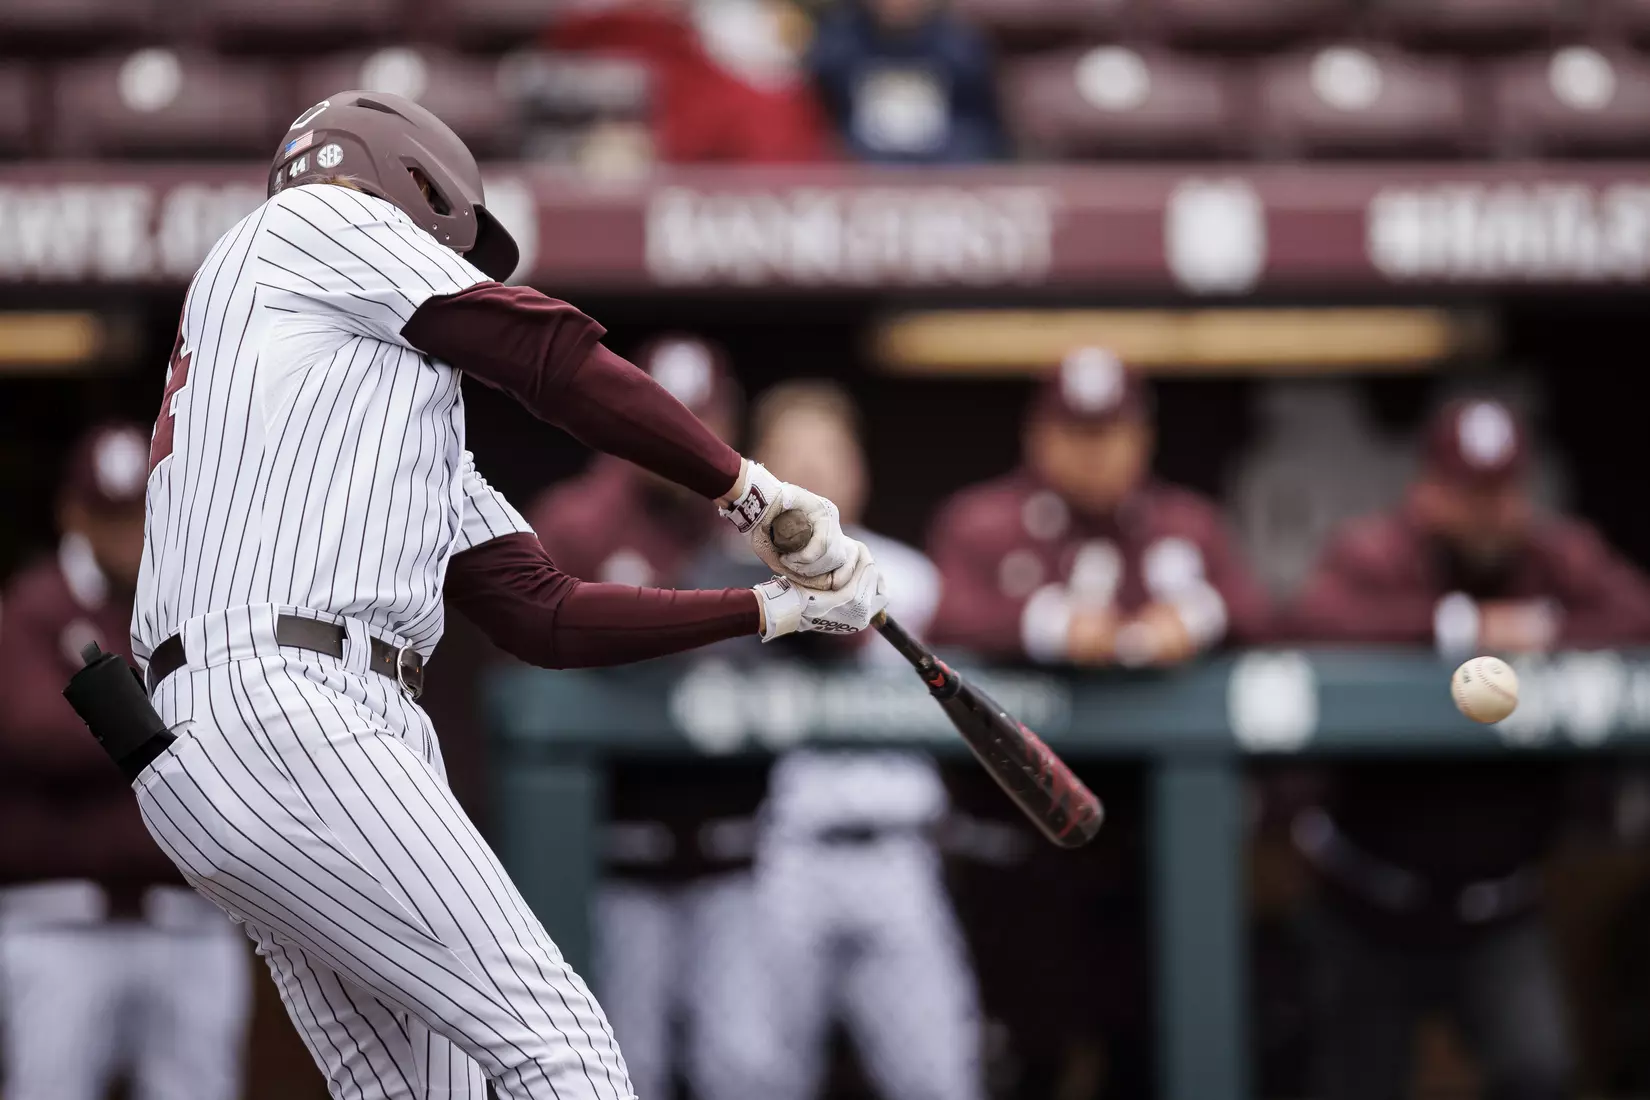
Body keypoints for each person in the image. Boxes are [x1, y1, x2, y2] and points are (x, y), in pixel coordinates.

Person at [127, 91, 884, 1100]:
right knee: (563, 1046)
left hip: (235, 729)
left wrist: (767, 609)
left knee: (428, 1087)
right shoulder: (314, 217)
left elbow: (543, 610)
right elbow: (547, 354)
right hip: (290, 702)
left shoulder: (365, 407)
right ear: (416, 184)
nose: (460, 265)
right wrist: (748, 489)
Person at [1291, 397, 1650, 1100]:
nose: (1486, 511)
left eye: (1500, 491)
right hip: (1370, 899)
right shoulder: (1379, 555)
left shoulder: (1556, 559)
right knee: (1358, 1082)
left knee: (1538, 1073)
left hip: (1500, 909)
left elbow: (1635, 615)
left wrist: (1541, 629)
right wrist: (1462, 626)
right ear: (1427, 489)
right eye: (1467, 491)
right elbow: (1310, 619)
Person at [689, 381, 985, 1100]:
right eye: (794, 458)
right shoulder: (727, 584)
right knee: (751, 1079)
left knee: (938, 1077)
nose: (816, 473)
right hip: (779, 856)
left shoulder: (914, 579)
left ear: (860, 470)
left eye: (830, 455)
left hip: (898, 850)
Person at [525, 334, 769, 1100]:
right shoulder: (578, 520)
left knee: (750, 1070)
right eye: (658, 420)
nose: (672, 445)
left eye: (691, 422)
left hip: (744, 859)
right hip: (614, 857)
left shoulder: (753, 515)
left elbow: (847, 637)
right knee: (628, 1073)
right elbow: (521, 678)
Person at [0, 423, 252, 1100]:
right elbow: (33, 730)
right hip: (61, 922)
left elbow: (246, 736)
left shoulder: (198, 604)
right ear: (73, 513)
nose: (126, 535)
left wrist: (121, 721)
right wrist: (171, 727)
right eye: (110, 516)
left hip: (190, 922)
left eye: (138, 514)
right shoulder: (34, 606)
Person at [929, 346, 1269, 665]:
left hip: (1160, 721)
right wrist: (1050, 624)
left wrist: (1196, 616)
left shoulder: (1189, 522)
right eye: (1075, 432)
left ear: (1144, 437)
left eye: (1110, 432)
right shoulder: (982, 523)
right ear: (1036, 436)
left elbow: (1262, 617)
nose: (1093, 454)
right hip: (1018, 720)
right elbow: (945, 620)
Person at [808, 0, 1005, 163]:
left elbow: (982, 125)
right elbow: (824, 119)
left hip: (946, 165)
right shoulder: (837, 46)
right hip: (860, 166)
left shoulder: (961, 47)